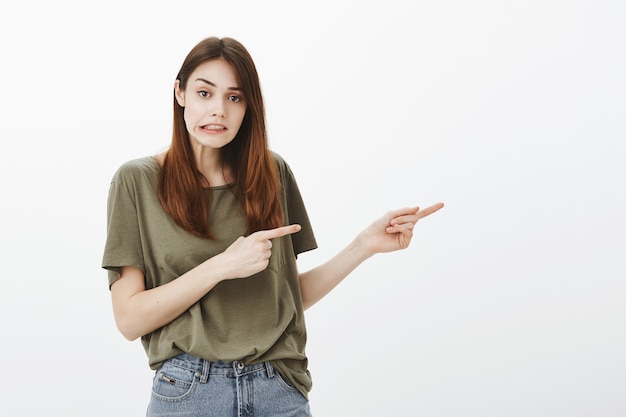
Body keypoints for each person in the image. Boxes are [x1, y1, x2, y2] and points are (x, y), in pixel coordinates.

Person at [102, 36, 444, 417]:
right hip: (189, 390)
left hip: (276, 388)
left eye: (234, 98)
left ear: (248, 107)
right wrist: (221, 266)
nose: (218, 111)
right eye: (204, 93)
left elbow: (287, 296)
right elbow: (130, 320)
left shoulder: (270, 173)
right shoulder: (137, 181)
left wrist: (363, 245)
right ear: (180, 93)